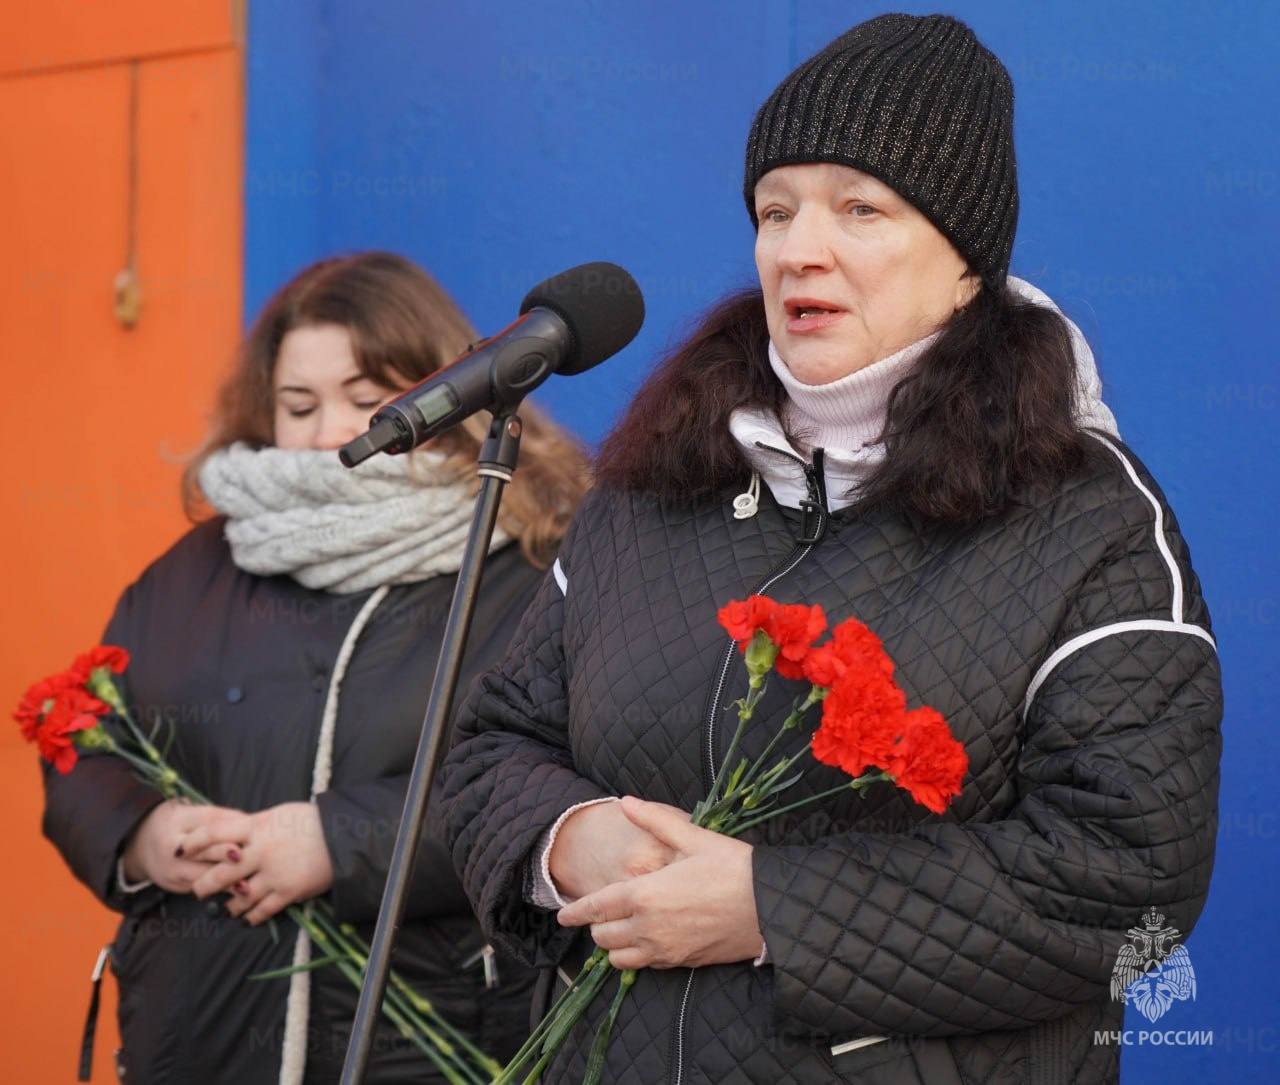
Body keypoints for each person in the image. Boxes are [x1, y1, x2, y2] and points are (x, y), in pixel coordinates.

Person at [437, 14, 1222, 1084]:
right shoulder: (656, 479)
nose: (798, 247)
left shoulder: (1087, 518)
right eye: (774, 209)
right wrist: (568, 839)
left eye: (860, 208)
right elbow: (486, 749)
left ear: (964, 262)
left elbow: (1130, 875)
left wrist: (766, 907)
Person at [41, 251, 590, 1083]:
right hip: (197, 1038)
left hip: (437, 1041)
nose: (332, 431)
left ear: (448, 394)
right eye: (299, 405)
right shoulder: (198, 567)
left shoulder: (519, 557)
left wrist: (339, 841)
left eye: (367, 401)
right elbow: (86, 737)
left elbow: (556, 785)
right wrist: (143, 835)